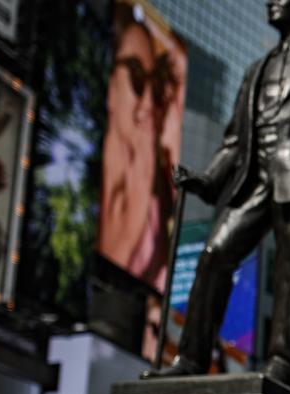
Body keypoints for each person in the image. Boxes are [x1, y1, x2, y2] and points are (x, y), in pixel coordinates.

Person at [146, 0, 290, 386]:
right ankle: (191, 358)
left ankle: (282, 363)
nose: (271, 2)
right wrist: (209, 179)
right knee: (214, 255)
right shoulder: (255, 71)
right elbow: (234, 139)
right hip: (254, 179)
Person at [99, 1, 185, 290]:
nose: (147, 105)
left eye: (155, 87)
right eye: (136, 78)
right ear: (111, 87)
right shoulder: (93, 178)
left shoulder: (161, 179)